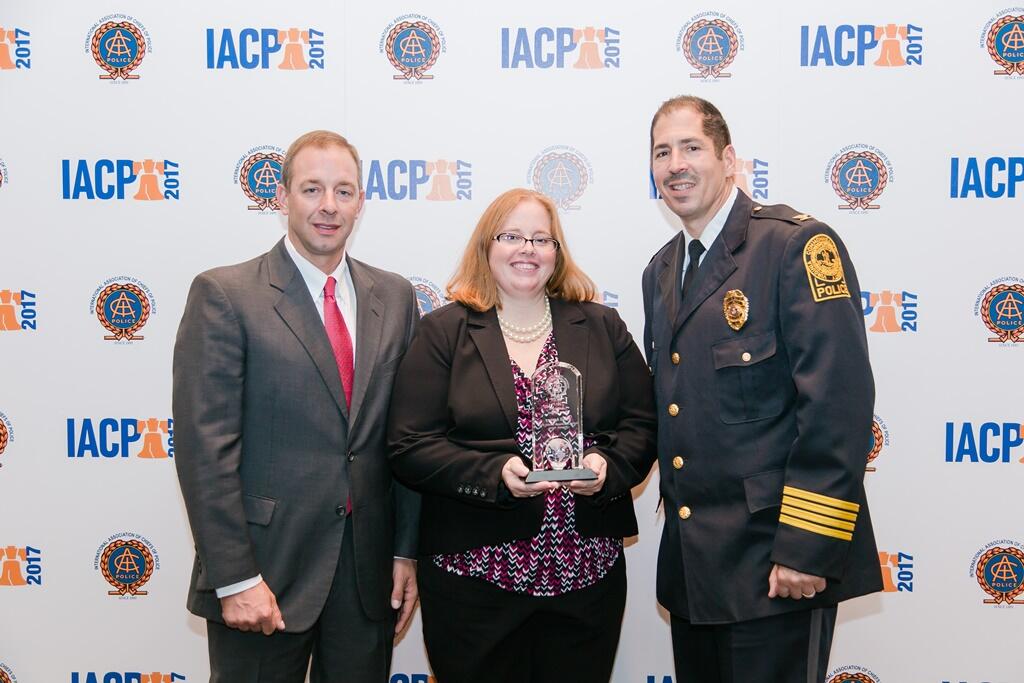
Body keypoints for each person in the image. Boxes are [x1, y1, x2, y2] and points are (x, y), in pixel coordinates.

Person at [642, 96, 883, 683]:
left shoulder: (795, 246)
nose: (676, 164)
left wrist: (806, 544)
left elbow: (837, 406)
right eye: (662, 152)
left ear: (729, 160)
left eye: (692, 147)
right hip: (696, 572)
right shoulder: (661, 271)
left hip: (775, 564)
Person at [173, 130, 420, 683]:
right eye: (312, 189)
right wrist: (234, 578)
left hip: (365, 579)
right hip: (264, 574)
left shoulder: (397, 298)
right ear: (281, 198)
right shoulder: (225, 295)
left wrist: (404, 553)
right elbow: (203, 450)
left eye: (344, 191)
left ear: (361, 202)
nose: (328, 206)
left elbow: (403, 438)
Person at [387, 188, 656, 683]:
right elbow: (409, 445)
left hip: (585, 576)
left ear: (557, 253)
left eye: (541, 238)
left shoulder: (601, 326)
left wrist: (608, 469)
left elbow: (643, 425)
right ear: (487, 247)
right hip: (474, 578)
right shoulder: (444, 332)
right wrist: (492, 474)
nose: (527, 249)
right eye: (511, 236)